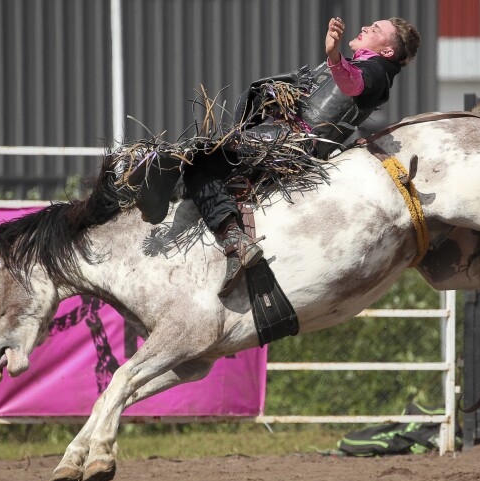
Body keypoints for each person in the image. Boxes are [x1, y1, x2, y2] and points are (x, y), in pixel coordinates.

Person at [135, 17, 420, 297]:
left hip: (288, 142)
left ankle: (222, 230)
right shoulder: (365, 66)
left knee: (201, 158)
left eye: (376, 29)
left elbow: (353, 85)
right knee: (203, 166)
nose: (366, 27)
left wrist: (333, 55)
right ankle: (186, 199)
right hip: (281, 137)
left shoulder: (376, 71)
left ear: (388, 51)